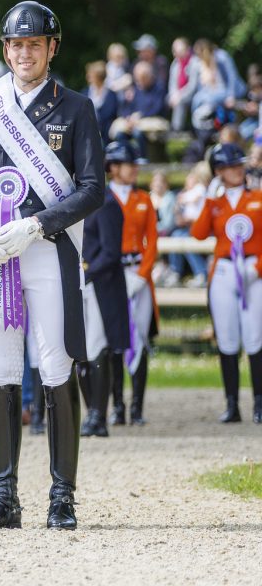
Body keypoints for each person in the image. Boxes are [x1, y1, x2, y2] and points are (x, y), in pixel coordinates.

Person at [0, 1, 104, 530]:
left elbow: (92, 188)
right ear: (5, 49)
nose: (23, 53)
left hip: (47, 250)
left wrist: (37, 225)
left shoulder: (76, 108)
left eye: (34, 44)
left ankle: (62, 496)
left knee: (56, 367)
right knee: (2, 370)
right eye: (16, 45)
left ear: (51, 48)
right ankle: (4, 496)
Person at [190, 143, 262, 424]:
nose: (237, 170)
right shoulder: (216, 204)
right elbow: (198, 233)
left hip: (253, 270)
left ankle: (259, 402)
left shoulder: (257, 197)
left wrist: (257, 267)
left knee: (255, 336)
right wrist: (209, 200)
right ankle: (232, 403)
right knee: (228, 338)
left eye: (238, 165)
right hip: (224, 270)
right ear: (219, 171)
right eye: (230, 167)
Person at [77, 143, 132, 438]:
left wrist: (85, 272)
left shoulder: (107, 204)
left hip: (100, 284)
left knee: (97, 346)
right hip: (82, 282)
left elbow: (111, 252)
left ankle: (98, 414)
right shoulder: (77, 201)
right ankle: (91, 412)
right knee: (82, 349)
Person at [105, 141, 159, 426]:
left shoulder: (143, 199)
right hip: (112, 274)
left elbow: (153, 241)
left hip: (137, 272)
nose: (135, 169)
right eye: (129, 164)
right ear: (114, 167)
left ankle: (137, 407)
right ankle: (117, 406)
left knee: (140, 339)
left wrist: (143, 274)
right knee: (114, 341)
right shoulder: (102, 197)